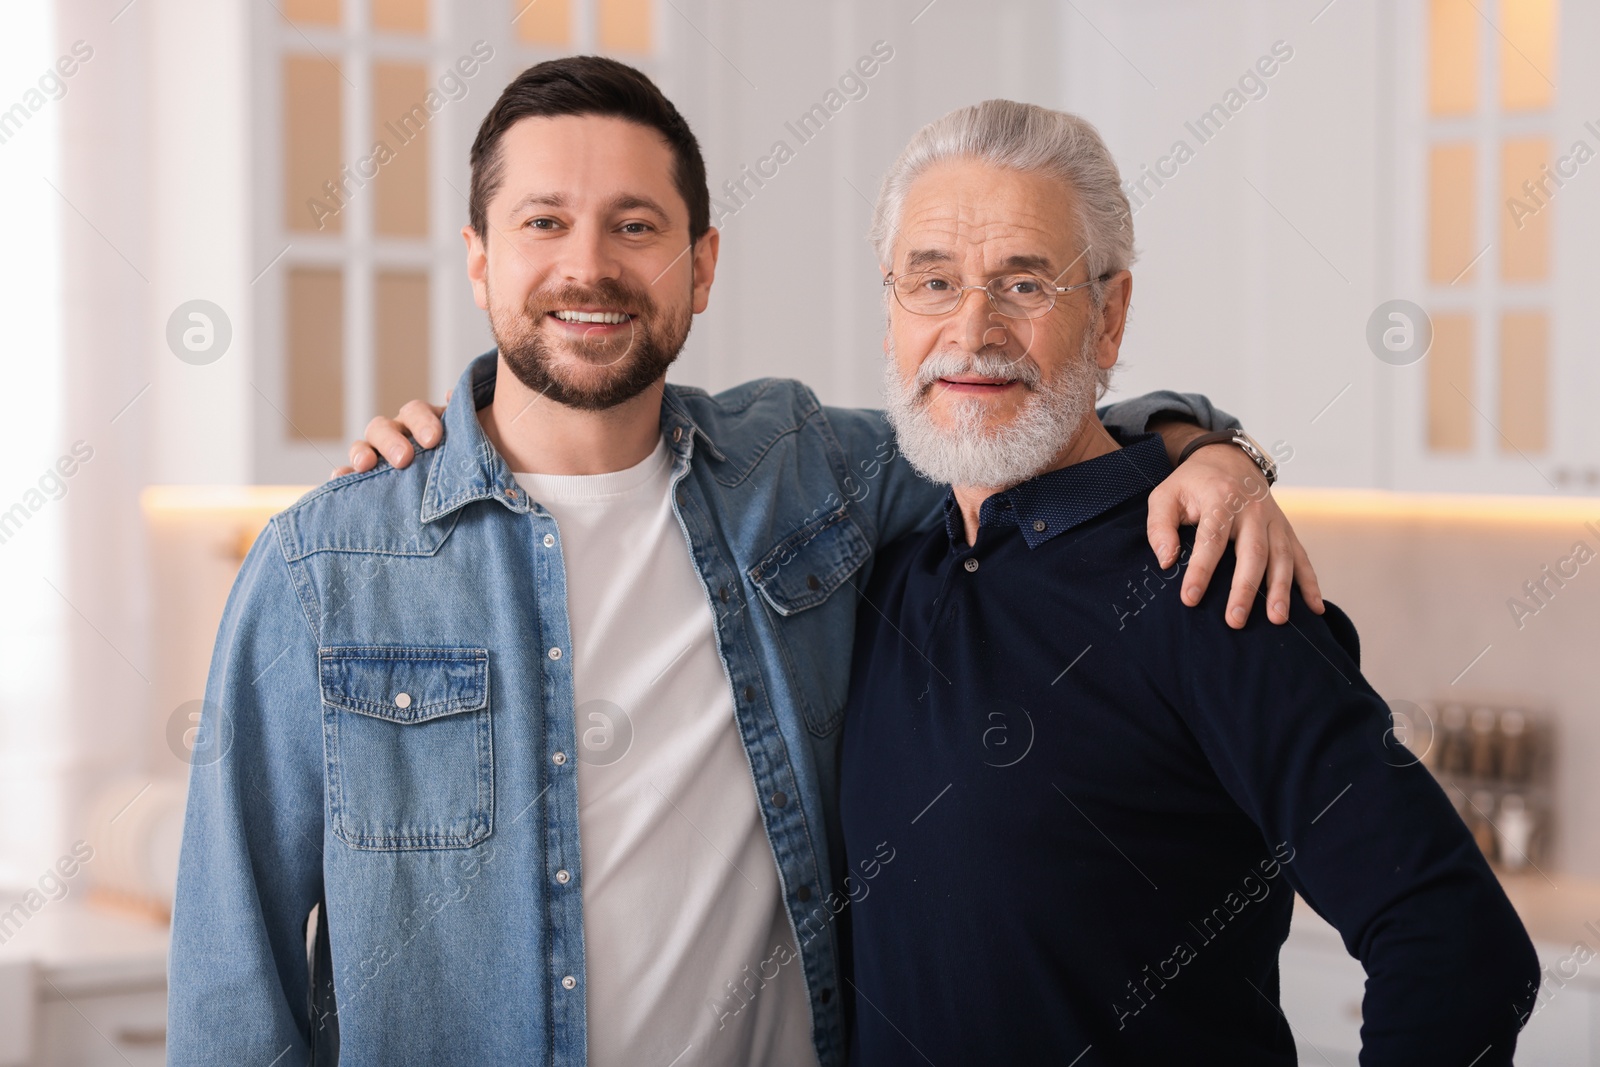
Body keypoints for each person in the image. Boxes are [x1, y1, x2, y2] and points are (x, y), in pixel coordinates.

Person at [168, 57, 1319, 1066]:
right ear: (479, 261)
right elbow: (234, 981)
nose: (589, 265)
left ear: (700, 264)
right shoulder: (329, 564)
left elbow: (1009, 417)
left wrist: (1203, 445)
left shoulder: (808, 475)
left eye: (635, 224)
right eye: (541, 223)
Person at [838, 99, 1539, 1066]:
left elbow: (1460, 945)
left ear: (1111, 314)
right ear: (891, 311)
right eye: (933, 281)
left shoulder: (1208, 577)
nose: (971, 328)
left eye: (1025, 282)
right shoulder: (871, 568)